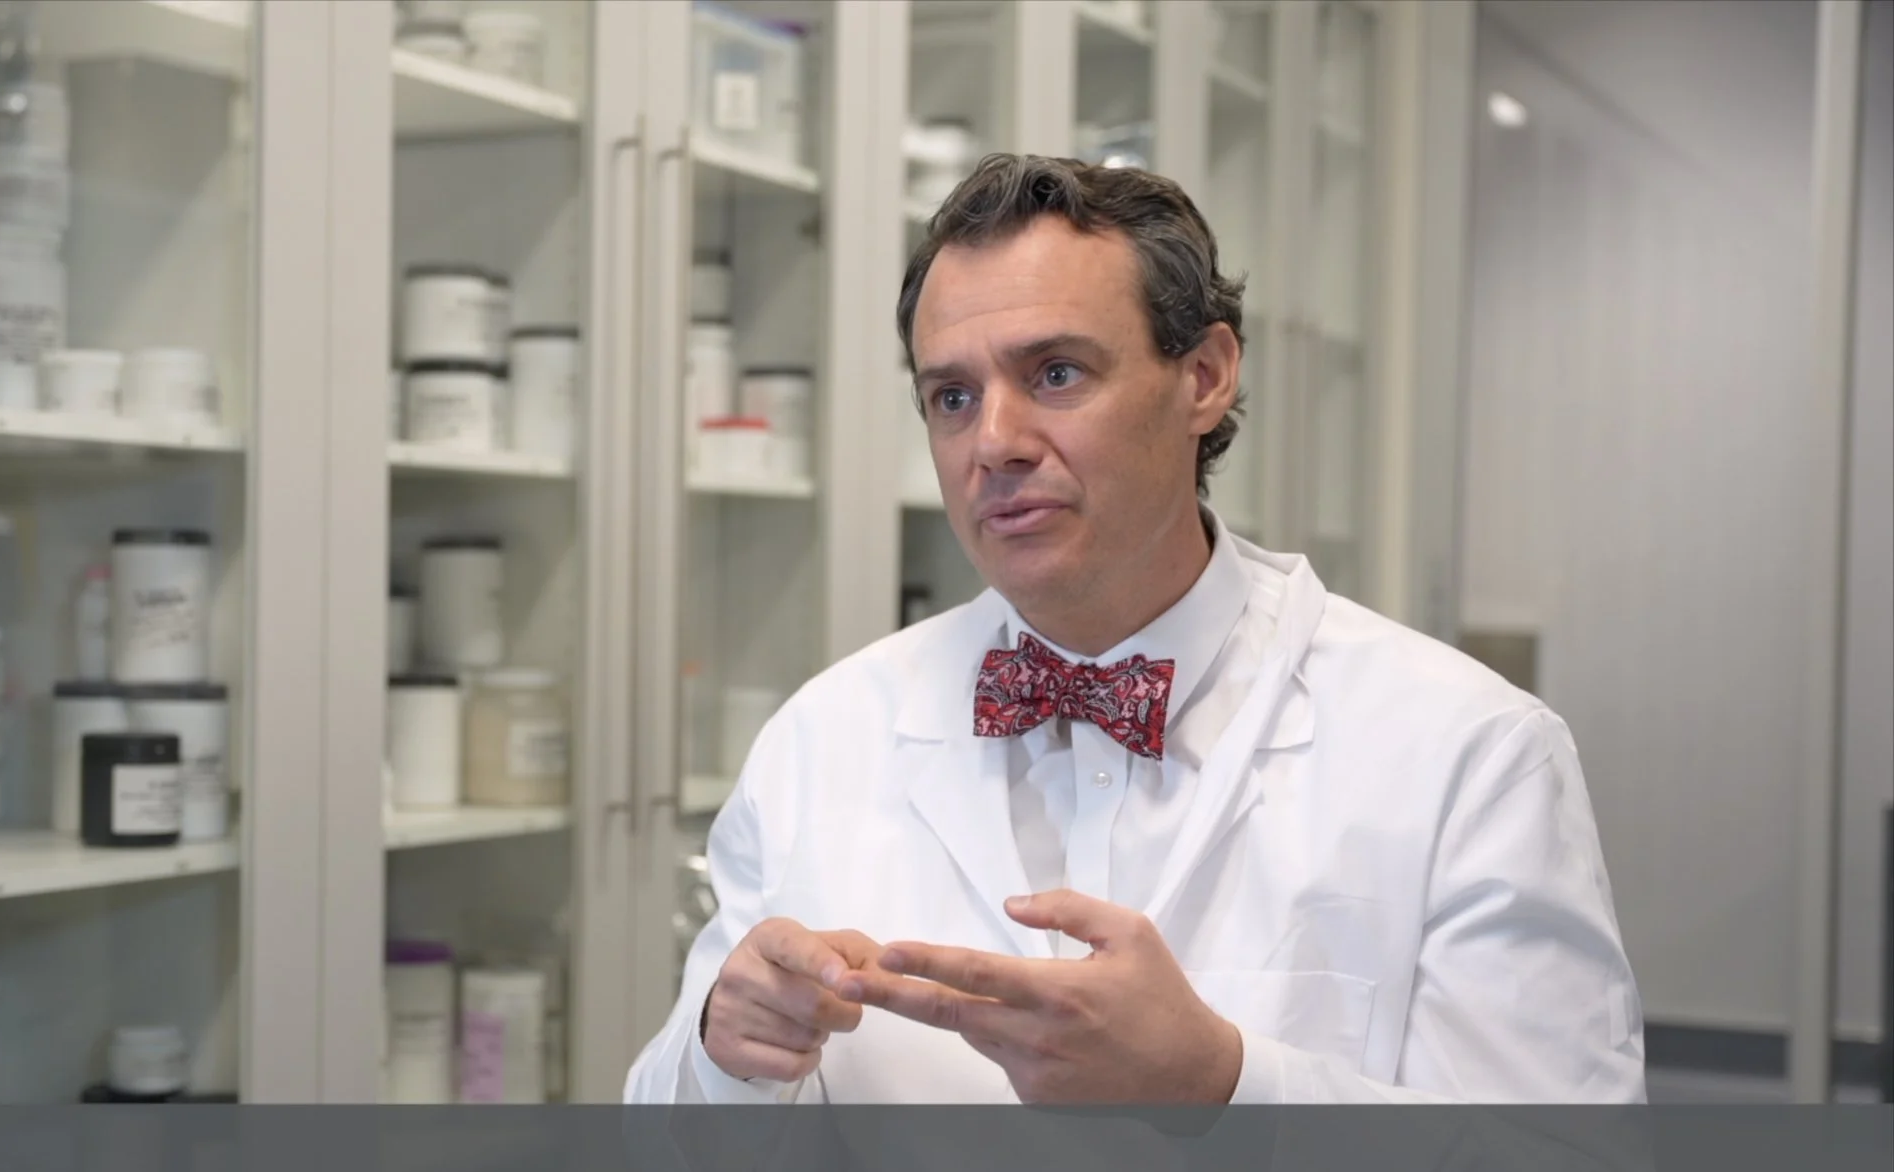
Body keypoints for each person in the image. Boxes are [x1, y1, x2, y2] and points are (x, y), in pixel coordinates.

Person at [627, 154, 1645, 1106]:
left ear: (1203, 376)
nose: (995, 442)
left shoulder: (1466, 752)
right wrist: (726, 1051)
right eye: (951, 395)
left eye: (1057, 373)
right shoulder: (826, 733)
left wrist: (1220, 1082)